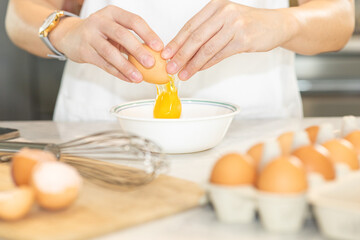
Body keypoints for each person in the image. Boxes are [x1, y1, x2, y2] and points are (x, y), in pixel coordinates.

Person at [5, 0, 355, 121]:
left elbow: (340, 16)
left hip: (252, 128)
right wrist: (67, 32)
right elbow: (19, 14)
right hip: (103, 134)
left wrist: (284, 22)